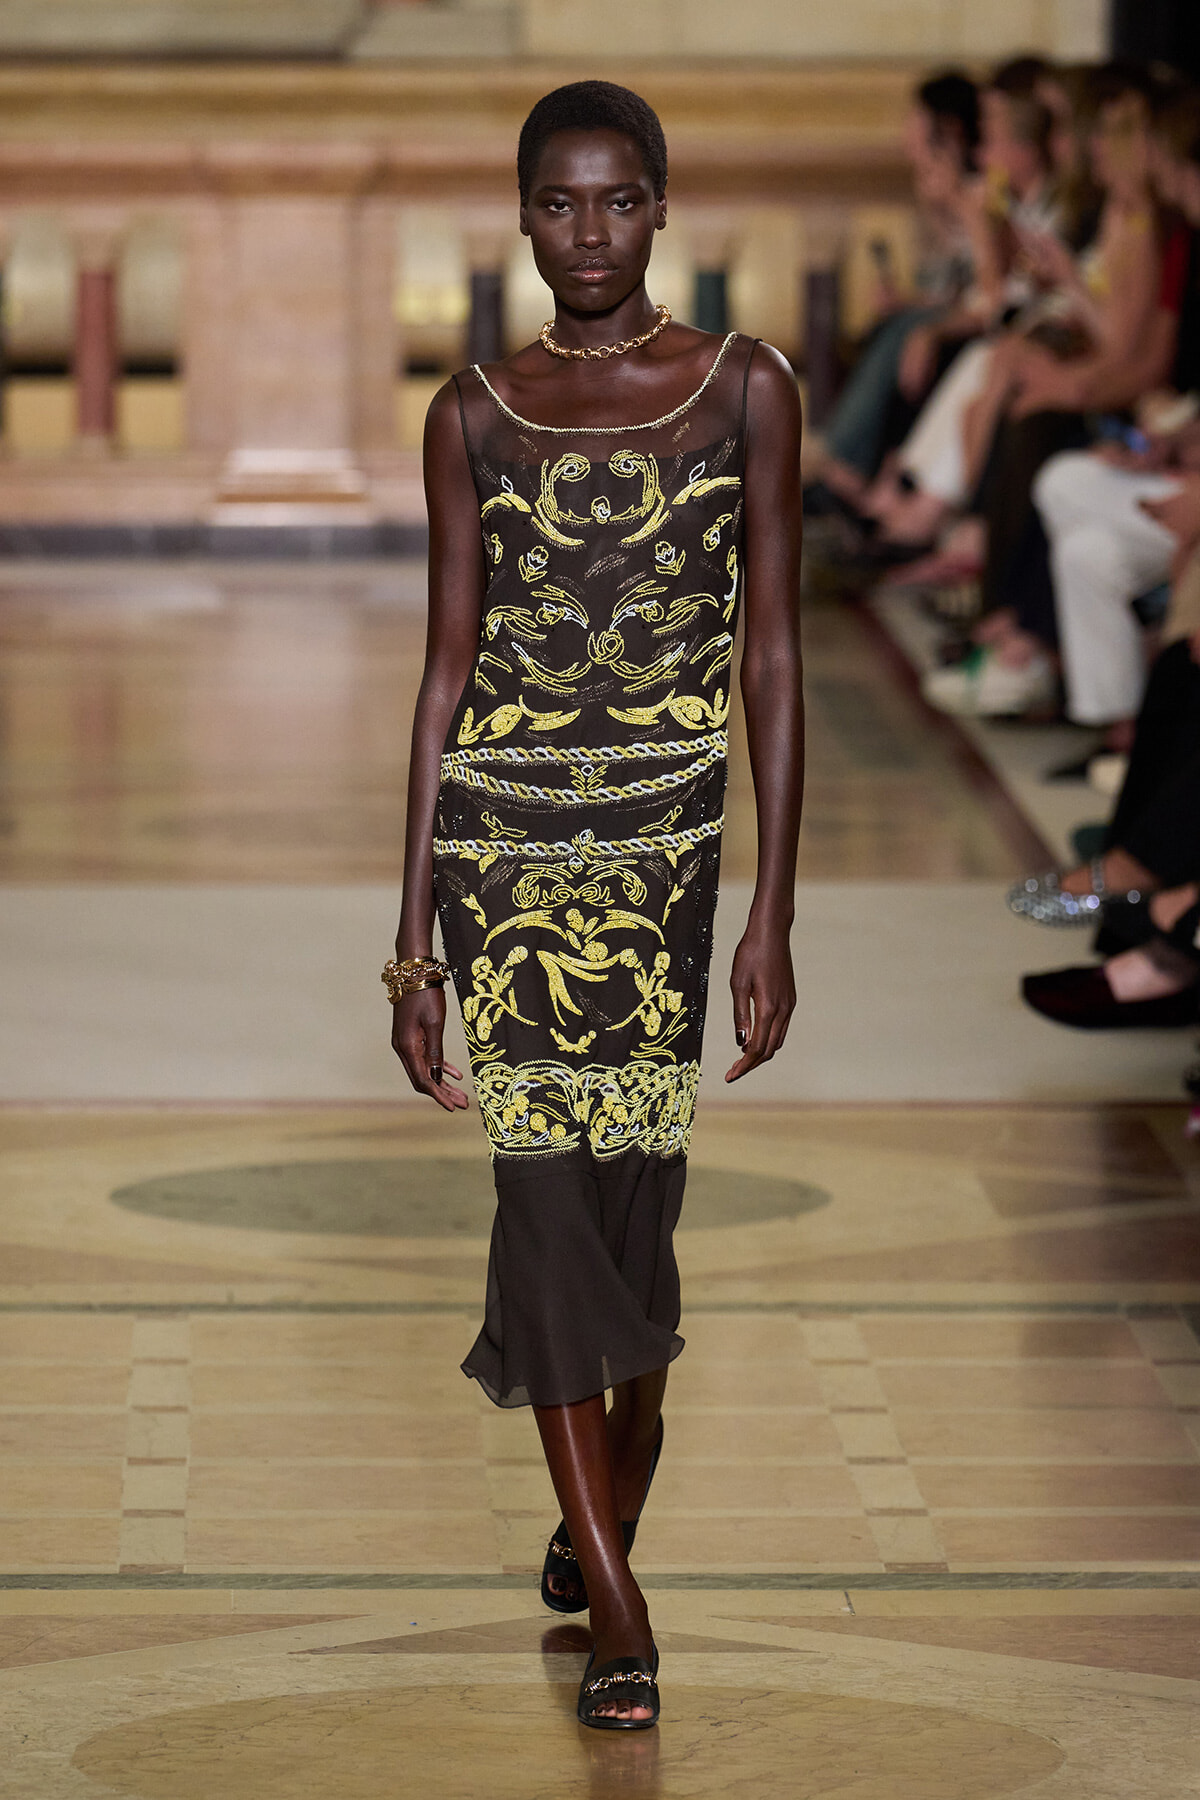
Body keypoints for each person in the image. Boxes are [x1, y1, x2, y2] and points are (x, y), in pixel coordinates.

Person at [388, 80, 804, 1733]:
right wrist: (414, 938)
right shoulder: (473, 410)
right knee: (549, 1210)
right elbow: (440, 678)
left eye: (616, 201)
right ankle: (620, 1602)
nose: (587, 234)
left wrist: (774, 908)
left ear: (658, 205)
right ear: (521, 217)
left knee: (639, 1220)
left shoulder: (741, 389)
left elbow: (774, 651)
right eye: (557, 205)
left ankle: (595, 1509)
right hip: (508, 850)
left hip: (669, 860)